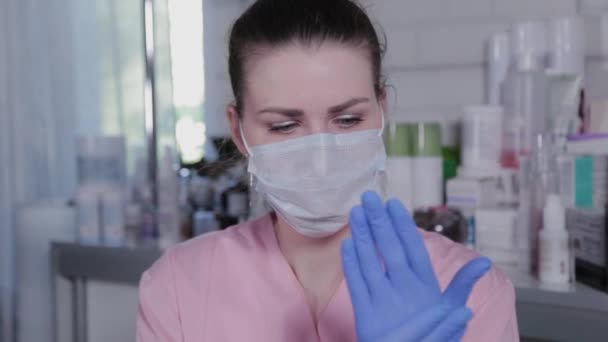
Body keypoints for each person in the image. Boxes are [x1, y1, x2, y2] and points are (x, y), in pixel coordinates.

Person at [136, 1, 519, 341]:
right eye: (285, 127)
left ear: (382, 110)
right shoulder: (177, 287)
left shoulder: (469, 292)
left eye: (348, 120)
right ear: (238, 132)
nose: (320, 160)